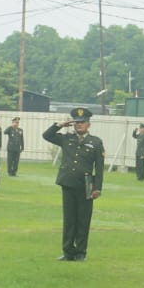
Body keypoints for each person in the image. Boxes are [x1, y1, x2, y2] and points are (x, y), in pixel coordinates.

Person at [43, 107, 105, 261]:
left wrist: (97, 188)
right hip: (68, 183)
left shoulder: (96, 142)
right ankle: (68, 251)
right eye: (76, 123)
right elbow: (47, 135)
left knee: (83, 220)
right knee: (69, 220)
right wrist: (61, 124)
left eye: (82, 123)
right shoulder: (66, 138)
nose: (79, 125)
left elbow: (99, 167)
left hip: (86, 185)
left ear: (88, 124)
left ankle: (80, 252)